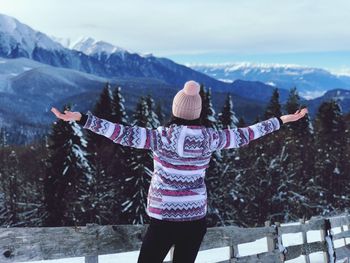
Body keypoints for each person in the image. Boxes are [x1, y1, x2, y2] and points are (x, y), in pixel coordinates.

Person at [51, 80, 308, 263]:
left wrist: (82, 119)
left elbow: (120, 133)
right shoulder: (212, 138)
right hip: (195, 220)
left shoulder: (159, 138)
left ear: (175, 110)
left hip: (163, 218)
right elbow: (247, 134)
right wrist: (282, 120)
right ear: (197, 113)